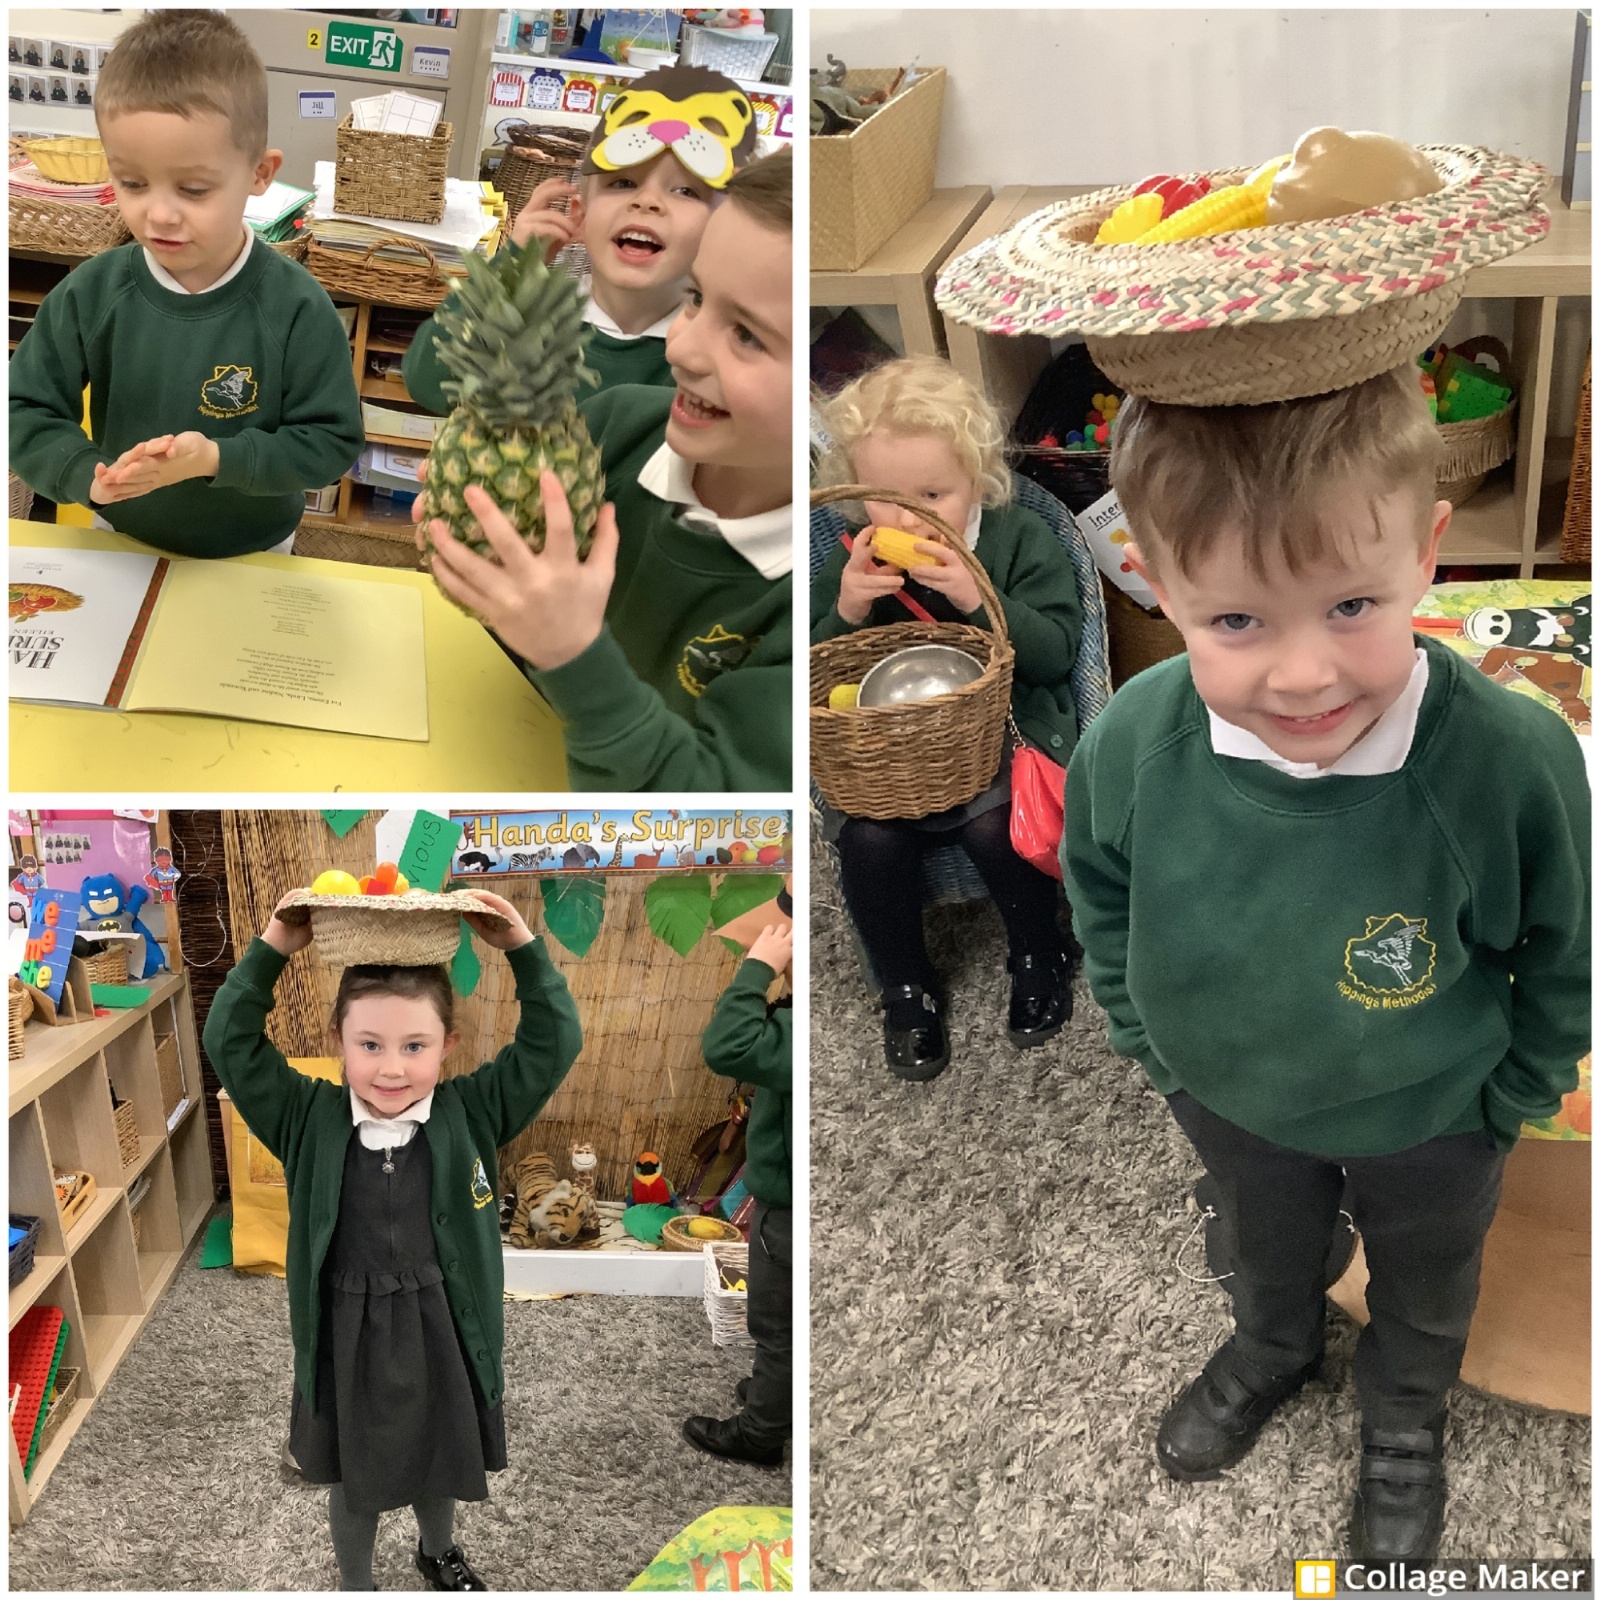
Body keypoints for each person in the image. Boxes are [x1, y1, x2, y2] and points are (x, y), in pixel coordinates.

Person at [1062, 367, 1590, 1561]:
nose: (1302, 675)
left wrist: (1515, 1093)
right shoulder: (1131, 741)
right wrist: (1149, 1043)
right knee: (1265, 1241)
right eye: (1236, 621)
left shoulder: (1509, 761)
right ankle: (1274, 1345)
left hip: (1435, 1114)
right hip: (1226, 1093)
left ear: (1426, 552)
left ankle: (1402, 1415)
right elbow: (1098, 887)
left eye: (1350, 604)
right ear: (1154, 581)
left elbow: (1563, 946)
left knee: (1427, 1273)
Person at [202, 888, 583, 1591]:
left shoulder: (474, 1110)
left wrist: (523, 951)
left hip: (441, 1324)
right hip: (347, 1335)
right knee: (356, 1479)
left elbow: (553, 1042)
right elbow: (229, 1041)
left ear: (448, 1045)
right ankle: (357, 1582)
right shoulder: (304, 1117)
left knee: (440, 1457)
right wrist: (273, 948)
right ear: (337, 1041)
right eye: (369, 1045)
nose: (391, 1069)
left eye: (415, 1046)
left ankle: (438, 1551)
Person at [420, 146, 793, 791]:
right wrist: (483, 574)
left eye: (748, 335)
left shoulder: (815, 595)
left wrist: (572, 654)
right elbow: (516, 642)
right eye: (697, 298)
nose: (680, 346)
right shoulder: (614, 425)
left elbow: (718, 809)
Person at [812, 357, 1082, 1079]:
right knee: (868, 842)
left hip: (1003, 731)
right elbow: (812, 671)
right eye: (886, 498)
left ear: (979, 481)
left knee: (996, 827)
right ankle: (904, 986)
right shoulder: (853, 557)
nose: (910, 519)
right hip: (886, 753)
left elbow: (1056, 654)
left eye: (934, 494)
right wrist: (846, 609)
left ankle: (1039, 949)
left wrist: (974, 594)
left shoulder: (1020, 539)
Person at [8, 10, 363, 557]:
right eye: (132, 183)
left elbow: (332, 440)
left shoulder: (297, 306)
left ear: (260, 174)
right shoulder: (91, 293)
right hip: (121, 538)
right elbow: (23, 408)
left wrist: (219, 458)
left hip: (256, 550)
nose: (159, 214)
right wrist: (84, 473)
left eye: (193, 189)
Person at [404, 63, 758, 407]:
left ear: (727, 229)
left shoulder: (722, 352)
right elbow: (428, 381)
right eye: (623, 183)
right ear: (581, 216)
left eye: (685, 191)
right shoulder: (530, 318)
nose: (647, 201)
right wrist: (511, 271)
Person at [685, 917, 793, 1466]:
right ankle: (780, 1396)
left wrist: (757, 971)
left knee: (776, 1327)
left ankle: (761, 1434)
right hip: (786, 1203)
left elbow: (727, 1043)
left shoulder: (798, 1033)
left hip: (787, 1212)